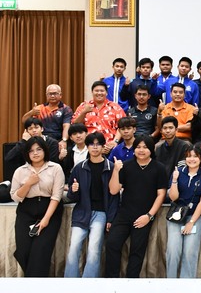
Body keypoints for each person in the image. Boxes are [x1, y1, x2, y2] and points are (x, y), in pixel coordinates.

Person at [104, 135, 168, 278]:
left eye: (145, 147)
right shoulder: (126, 166)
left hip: (144, 215)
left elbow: (161, 195)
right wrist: (116, 171)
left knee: (137, 250)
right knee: (112, 243)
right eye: (138, 147)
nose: (141, 150)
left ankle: (131, 282)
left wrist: (149, 216)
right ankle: (111, 280)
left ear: (151, 149)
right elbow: (113, 190)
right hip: (124, 213)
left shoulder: (159, 168)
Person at [64, 132, 119, 278]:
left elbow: (114, 196)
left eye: (98, 144)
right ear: (87, 147)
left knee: (94, 249)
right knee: (73, 247)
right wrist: (73, 190)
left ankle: (89, 282)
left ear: (103, 146)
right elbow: (72, 196)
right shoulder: (79, 167)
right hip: (81, 212)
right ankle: (70, 281)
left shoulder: (111, 167)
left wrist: (110, 218)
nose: (95, 147)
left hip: (101, 213)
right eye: (91, 144)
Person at [10, 136, 64, 277]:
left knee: (40, 250)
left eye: (39, 149)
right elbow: (15, 197)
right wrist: (28, 183)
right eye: (31, 150)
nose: (35, 153)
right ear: (27, 153)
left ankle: (34, 284)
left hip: (49, 210)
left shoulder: (55, 168)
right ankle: (34, 279)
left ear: (45, 150)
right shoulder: (20, 171)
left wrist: (46, 219)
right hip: (26, 210)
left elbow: (56, 196)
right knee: (23, 250)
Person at [166, 143, 201, 278]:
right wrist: (174, 180)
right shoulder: (178, 172)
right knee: (173, 249)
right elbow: (173, 197)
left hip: (195, 217)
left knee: (190, 251)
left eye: (195, 156)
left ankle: (187, 284)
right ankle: (170, 282)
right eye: (189, 156)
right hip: (176, 215)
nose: (191, 159)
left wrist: (191, 222)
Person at [72, 80, 126, 150]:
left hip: (110, 146)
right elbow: (75, 126)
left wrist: (115, 141)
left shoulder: (115, 107)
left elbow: (123, 126)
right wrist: (84, 112)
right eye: (96, 91)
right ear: (92, 92)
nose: (99, 93)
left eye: (102, 91)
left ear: (106, 93)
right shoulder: (84, 106)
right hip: (88, 146)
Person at [4, 118, 60, 182]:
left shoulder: (52, 143)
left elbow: (52, 162)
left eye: (36, 127)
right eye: (30, 129)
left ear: (42, 129)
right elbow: (9, 158)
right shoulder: (24, 143)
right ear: (26, 131)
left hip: (47, 176)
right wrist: (23, 141)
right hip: (26, 176)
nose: (34, 130)